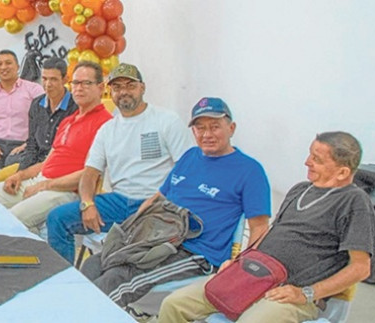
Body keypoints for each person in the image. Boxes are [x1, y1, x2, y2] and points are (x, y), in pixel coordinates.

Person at [159, 131, 375, 323]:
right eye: (310, 154)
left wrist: (307, 293)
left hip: (289, 291)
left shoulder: (354, 201)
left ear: (342, 173)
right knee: (174, 305)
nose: (307, 162)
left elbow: (360, 268)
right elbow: (270, 233)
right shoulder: (299, 190)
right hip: (251, 274)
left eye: (317, 159)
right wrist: (236, 263)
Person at [80, 97, 271, 309]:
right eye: (200, 128)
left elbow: (260, 227)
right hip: (157, 238)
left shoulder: (249, 170)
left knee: (117, 280)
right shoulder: (190, 156)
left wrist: (241, 271)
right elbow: (158, 198)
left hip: (196, 252)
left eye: (215, 127)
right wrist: (130, 230)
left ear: (231, 128)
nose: (207, 134)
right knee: (94, 264)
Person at [46, 63, 193, 263]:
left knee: (122, 254)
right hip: (118, 202)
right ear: (110, 91)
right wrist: (87, 203)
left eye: (130, 86)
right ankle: (65, 282)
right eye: (117, 87)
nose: (124, 92)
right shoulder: (107, 130)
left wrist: (159, 199)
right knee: (57, 219)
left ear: (142, 88)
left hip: (156, 204)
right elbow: (89, 174)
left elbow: (187, 169)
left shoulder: (166, 121)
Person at [0, 60, 111, 235]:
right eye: (76, 83)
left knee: (10, 221)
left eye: (86, 83)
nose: (79, 88)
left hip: (67, 191)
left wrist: (45, 185)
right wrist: (20, 176)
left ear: (100, 87)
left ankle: (36, 253)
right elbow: (47, 162)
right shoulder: (68, 121)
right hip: (41, 181)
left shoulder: (105, 124)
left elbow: (89, 175)